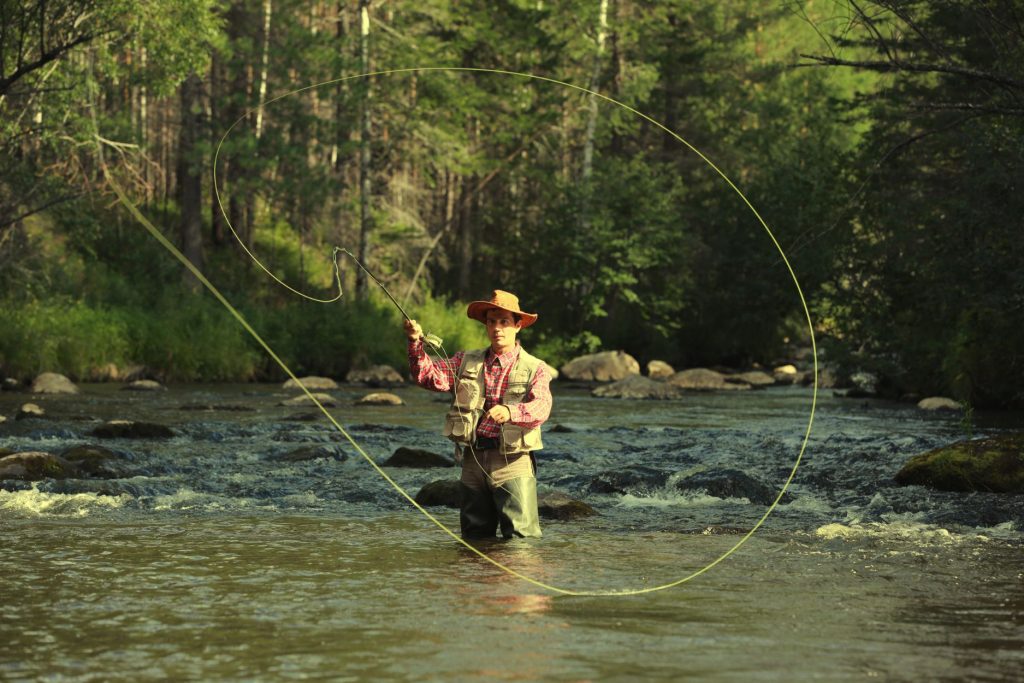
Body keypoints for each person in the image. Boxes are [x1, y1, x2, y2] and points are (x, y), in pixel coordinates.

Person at [404, 289, 553, 539]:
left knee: (521, 540)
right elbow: (427, 376)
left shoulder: (536, 368)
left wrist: (510, 411)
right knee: (474, 540)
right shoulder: (464, 360)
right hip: (473, 461)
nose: (497, 328)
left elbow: (542, 406)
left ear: (518, 326)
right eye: (491, 321)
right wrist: (414, 343)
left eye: (504, 322)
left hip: (513, 463)